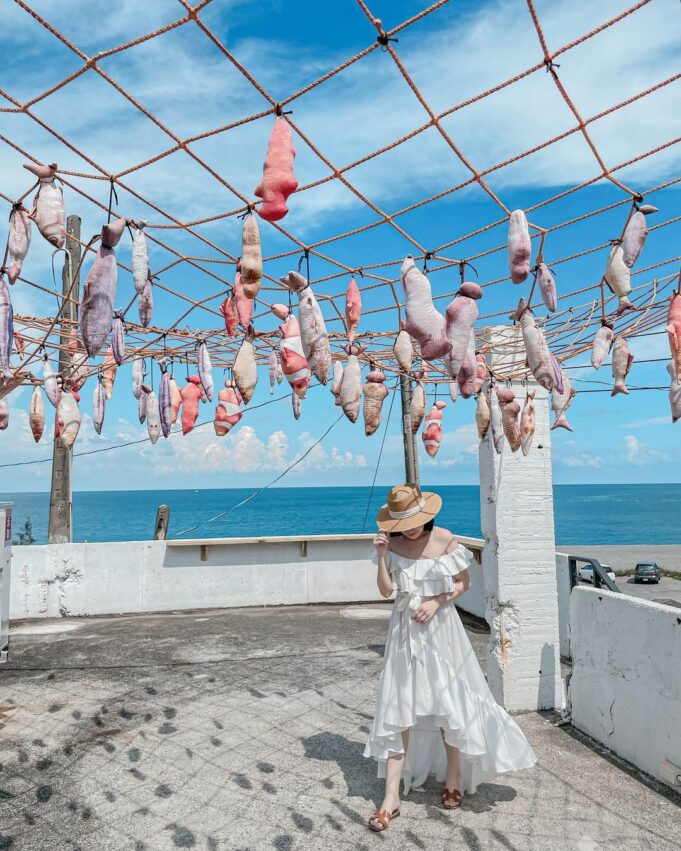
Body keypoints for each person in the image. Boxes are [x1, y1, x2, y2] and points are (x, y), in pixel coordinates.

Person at [365, 483, 536, 832]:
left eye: (415, 521)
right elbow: (385, 590)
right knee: (398, 708)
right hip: (404, 631)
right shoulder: (392, 544)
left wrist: (435, 602)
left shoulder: (444, 539)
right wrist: (381, 555)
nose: (410, 529)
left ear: (426, 515)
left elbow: (463, 583)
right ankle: (390, 798)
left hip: (441, 629)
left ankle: (454, 779)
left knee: (450, 703)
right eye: (403, 523)